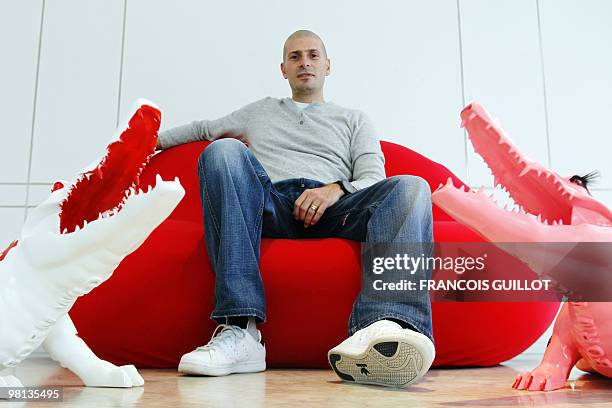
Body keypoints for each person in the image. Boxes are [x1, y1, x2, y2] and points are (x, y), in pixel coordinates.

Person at [156, 30, 435, 387]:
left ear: (328, 66)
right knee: (221, 151)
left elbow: (371, 178)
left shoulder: (354, 120)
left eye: (313, 55)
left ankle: (386, 328)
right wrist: (142, 141)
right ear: (283, 69)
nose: (305, 62)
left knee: (411, 187)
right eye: (295, 56)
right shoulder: (259, 111)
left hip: (338, 208)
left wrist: (333, 190)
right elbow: (203, 128)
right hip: (273, 204)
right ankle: (240, 331)